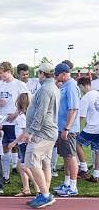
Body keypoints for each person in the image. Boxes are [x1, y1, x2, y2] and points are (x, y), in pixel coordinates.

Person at [22, 62, 59, 208]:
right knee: (45, 164)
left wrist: (30, 132)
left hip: (42, 133)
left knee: (31, 160)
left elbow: (41, 113)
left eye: (39, 73)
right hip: (48, 132)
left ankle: (45, 195)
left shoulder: (45, 89)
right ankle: (43, 194)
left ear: (42, 74)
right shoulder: (53, 87)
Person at [0, 61, 28, 184]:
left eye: (2, 72)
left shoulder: (19, 84)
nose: (0, 74)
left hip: (17, 123)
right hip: (3, 123)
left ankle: (27, 177)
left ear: (9, 71)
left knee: (20, 149)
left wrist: (15, 114)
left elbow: (26, 104)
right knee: (4, 149)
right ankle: (6, 176)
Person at [53, 63, 81, 197]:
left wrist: (67, 128)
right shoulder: (65, 85)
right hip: (62, 127)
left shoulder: (71, 86)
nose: (55, 77)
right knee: (66, 156)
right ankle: (67, 182)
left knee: (70, 156)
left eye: (57, 74)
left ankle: (73, 186)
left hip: (68, 128)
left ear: (64, 74)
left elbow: (73, 109)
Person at [8, 93, 40, 197]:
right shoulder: (25, 114)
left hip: (23, 144)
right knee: (20, 166)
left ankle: (37, 187)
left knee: (25, 167)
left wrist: (14, 142)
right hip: (23, 143)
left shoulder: (22, 117)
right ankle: (26, 188)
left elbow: (24, 133)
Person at [76, 77, 99, 182]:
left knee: (77, 143)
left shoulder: (85, 98)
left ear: (81, 86)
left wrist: (77, 129)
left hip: (92, 127)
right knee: (97, 150)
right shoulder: (97, 93)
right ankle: (96, 175)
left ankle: (84, 169)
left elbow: (81, 117)